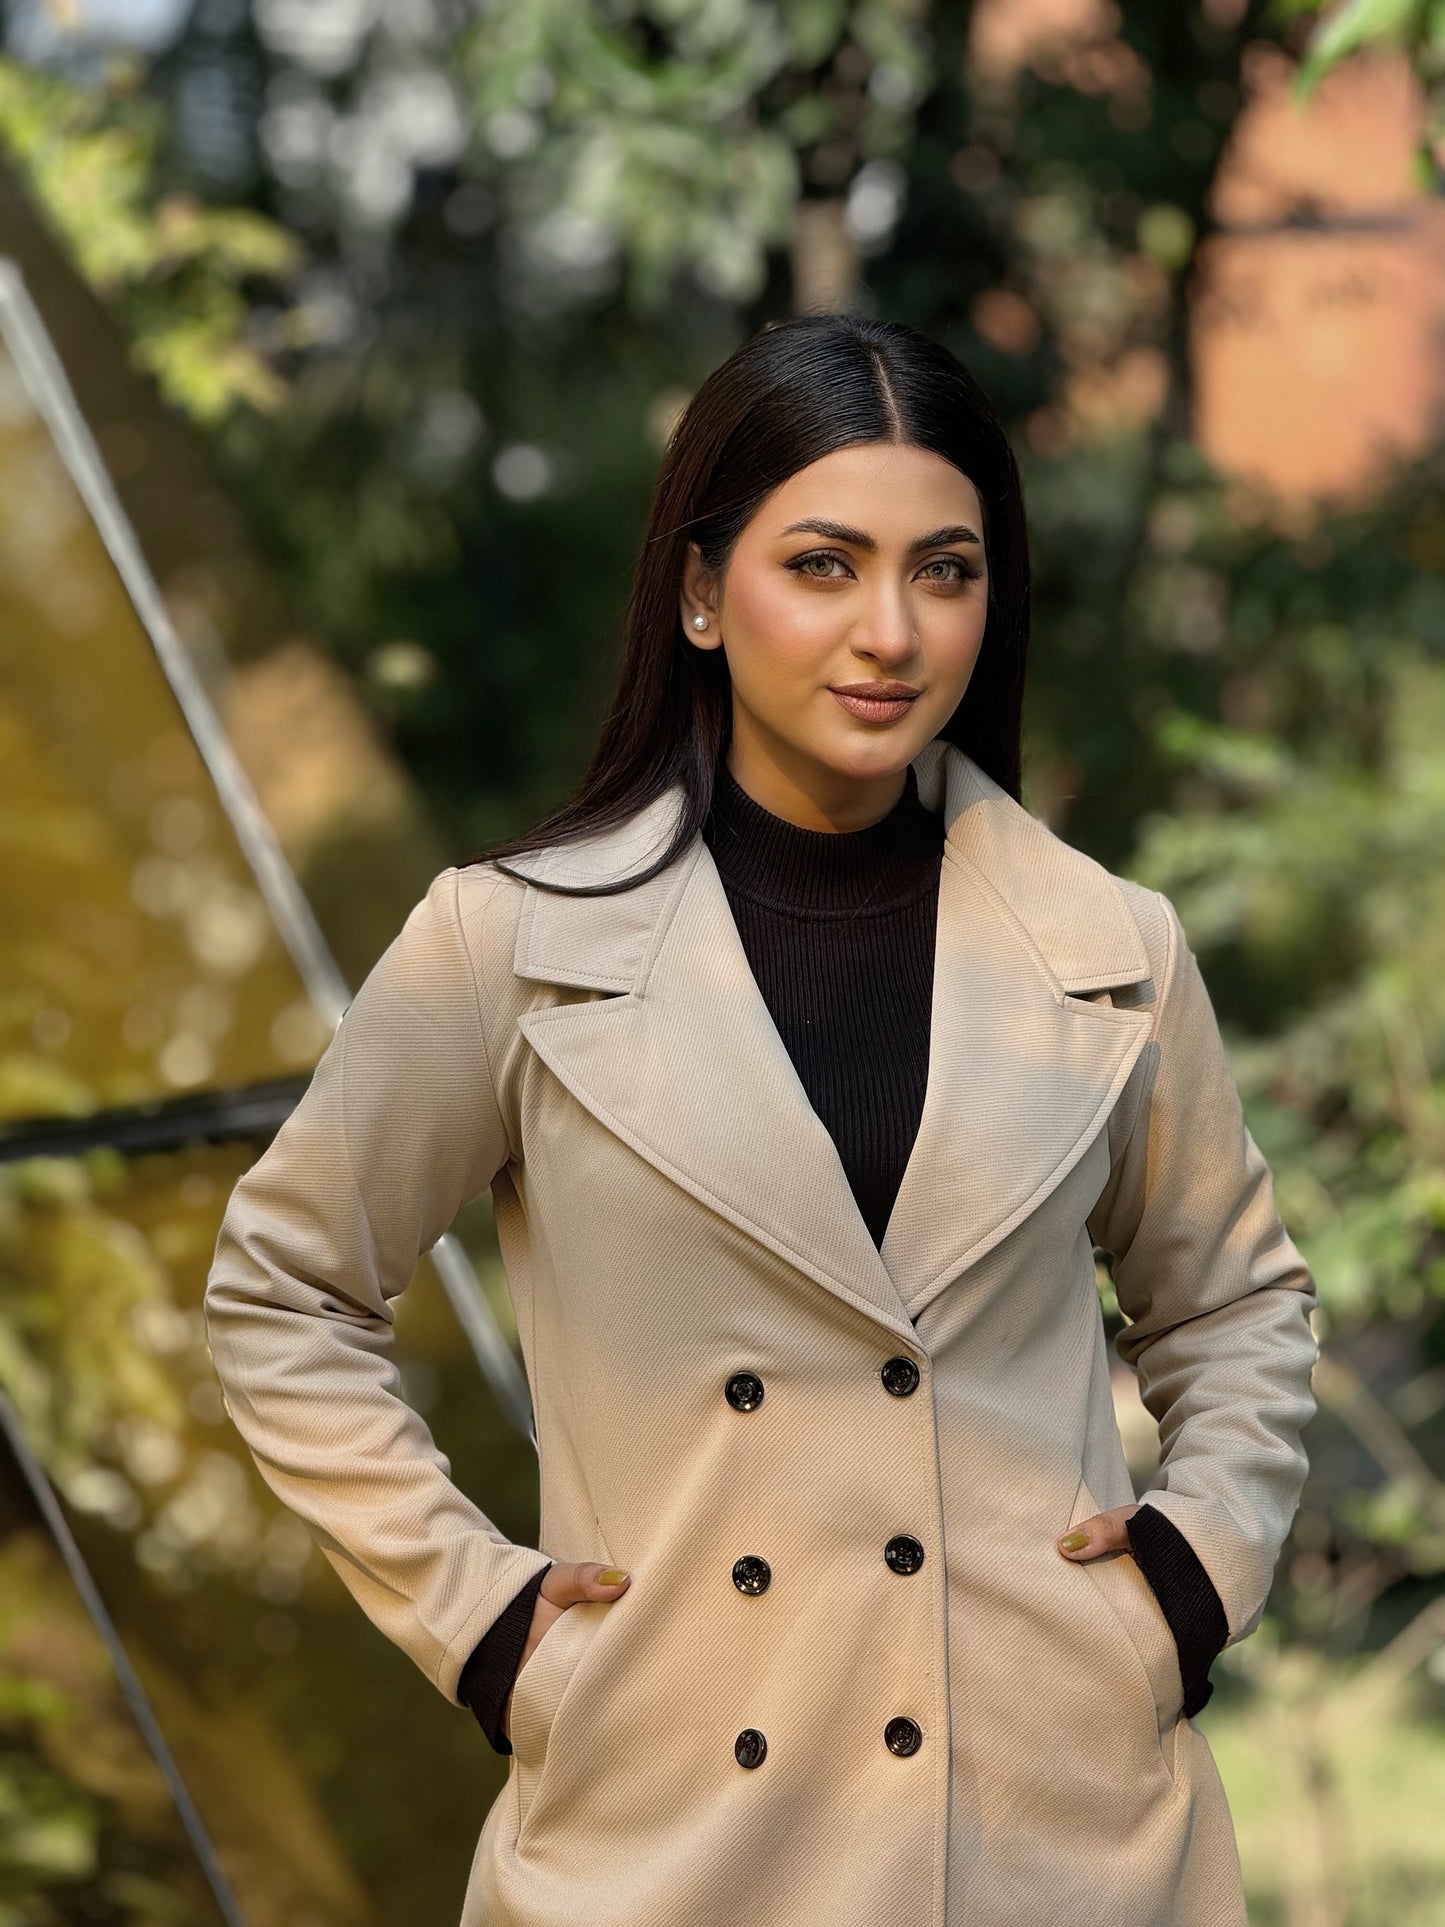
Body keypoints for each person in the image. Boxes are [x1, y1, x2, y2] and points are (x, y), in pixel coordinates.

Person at [203, 312, 1319, 1927]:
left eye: (944, 569)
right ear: (704, 592)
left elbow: (1233, 1303)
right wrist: (491, 1629)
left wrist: (1189, 1583)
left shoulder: (1107, 948)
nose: (891, 630)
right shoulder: (506, 947)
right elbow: (284, 1290)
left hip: (1055, 1826)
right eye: (823, 564)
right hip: (669, 1827)